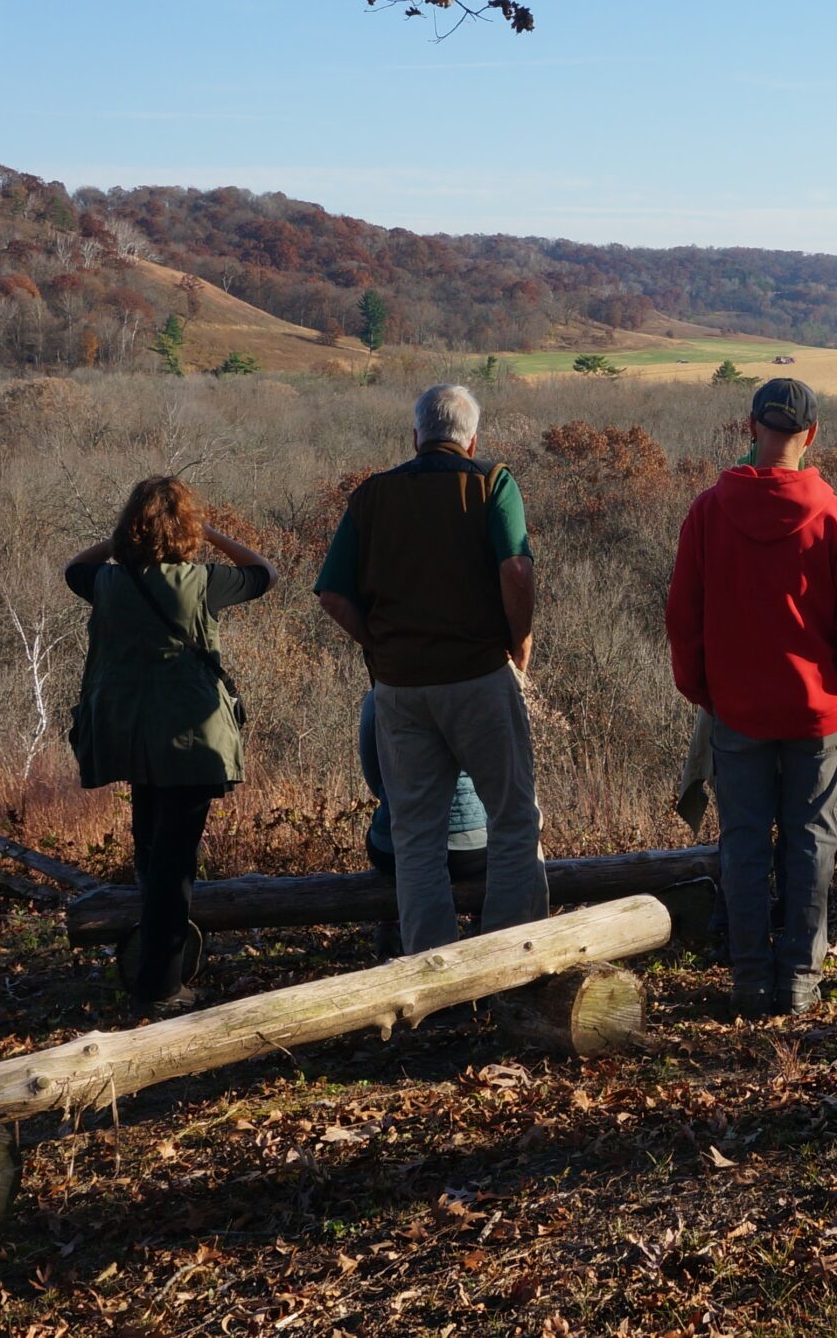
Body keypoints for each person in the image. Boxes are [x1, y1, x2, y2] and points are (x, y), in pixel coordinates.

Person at [666, 377, 837, 1017]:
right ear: (811, 436)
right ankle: (798, 980)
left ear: (750, 427)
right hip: (818, 713)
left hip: (737, 710)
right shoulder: (835, 517)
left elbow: (684, 615)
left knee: (741, 841)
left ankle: (749, 978)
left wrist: (703, 689)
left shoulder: (708, 512)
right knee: (811, 840)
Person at [315, 383, 549, 957]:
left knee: (416, 839)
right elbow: (516, 570)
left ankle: (433, 980)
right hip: (478, 677)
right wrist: (518, 647)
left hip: (400, 689)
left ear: (417, 435)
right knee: (514, 822)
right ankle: (507, 968)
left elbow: (331, 594)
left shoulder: (371, 496)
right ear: (472, 439)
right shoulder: (492, 483)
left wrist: (382, 645)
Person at [64, 477, 279, 1016]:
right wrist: (209, 532)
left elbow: (73, 568)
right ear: (185, 529)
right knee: (173, 863)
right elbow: (264, 572)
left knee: (152, 851)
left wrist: (124, 540)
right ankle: (160, 985)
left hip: (133, 736)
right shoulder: (200, 581)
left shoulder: (108, 583)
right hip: (189, 738)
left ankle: (153, 967)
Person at [357, 689, 489, 959]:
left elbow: (374, 776)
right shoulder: (477, 690)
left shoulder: (379, 697)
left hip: (398, 848)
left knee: (390, 843)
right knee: (490, 845)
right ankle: (480, 924)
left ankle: (390, 924)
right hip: (475, 849)